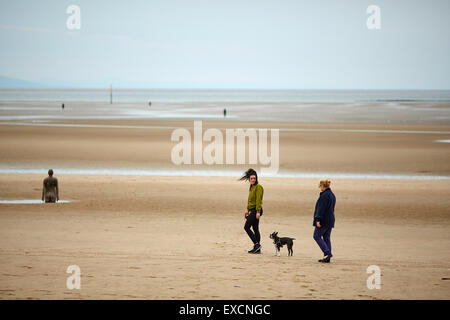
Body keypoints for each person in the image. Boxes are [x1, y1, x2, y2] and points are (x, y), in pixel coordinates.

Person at [240, 168, 264, 254]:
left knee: (246, 227)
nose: (253, 180)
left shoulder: (258, 187)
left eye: (254, 178)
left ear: (256, 178)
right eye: (251, 178)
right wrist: (248, 210)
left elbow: (258, 200)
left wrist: (257, 211)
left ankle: (256, 245)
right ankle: (257, 249)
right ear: (249, 179)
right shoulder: (252, 187)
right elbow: (250, 200)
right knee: (255, 228)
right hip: (253, 210)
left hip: (257, 210)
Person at [313, 179, 336, 263]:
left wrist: (318, 219)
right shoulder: (332, 195)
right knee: (326, 237)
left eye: (320, 186)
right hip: (330, 219)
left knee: (316, 236)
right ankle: (327, 257)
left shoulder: (324, 196)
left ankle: (327, 253)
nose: (320, 188)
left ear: (323, 186)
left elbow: (321, 209)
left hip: (324, 220)